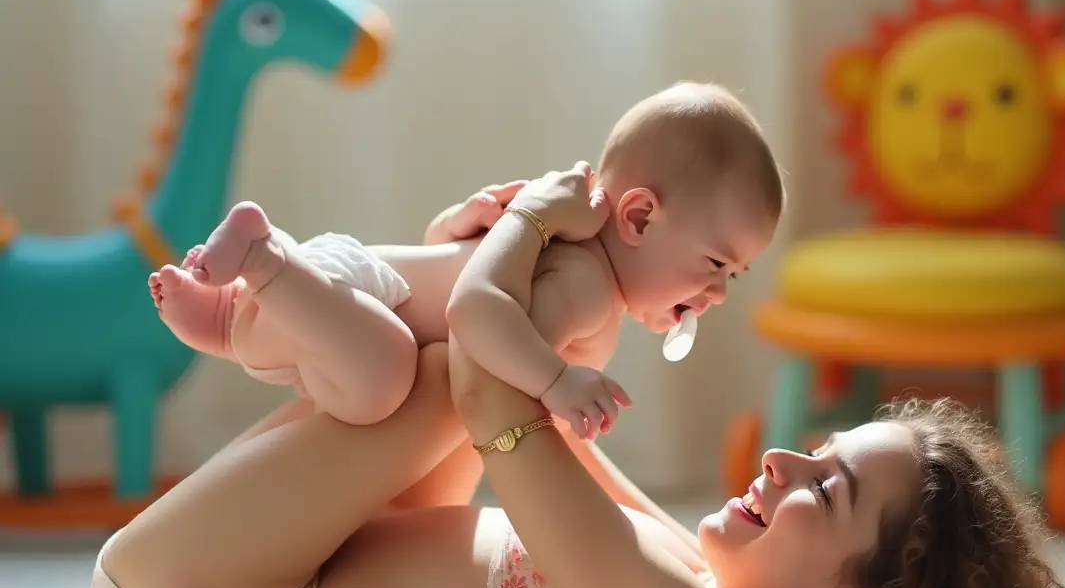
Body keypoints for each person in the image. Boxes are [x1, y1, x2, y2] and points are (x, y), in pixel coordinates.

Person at [91, 164, 1065, 588]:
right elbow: (553, 422)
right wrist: (531, 279)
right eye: (817, 451)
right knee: (519, 345)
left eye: (823, 488)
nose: (784, 458)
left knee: (447, 375)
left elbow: (491, 405)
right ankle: (334, 285)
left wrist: (536, 225)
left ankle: (286, 280)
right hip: (296, 578)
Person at [147, 81, 782, 441]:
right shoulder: (586, 287)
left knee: (277, 346)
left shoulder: (564, 247)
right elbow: (473, 312)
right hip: (346, 300)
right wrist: (557, 383)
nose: (719, 292)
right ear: (639, 217)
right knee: (379, 381)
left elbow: (441, 263)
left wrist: (455, 225)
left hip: (348, 285)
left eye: (732, 276)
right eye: (715, 263)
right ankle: (257, 263)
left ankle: (229, 305)